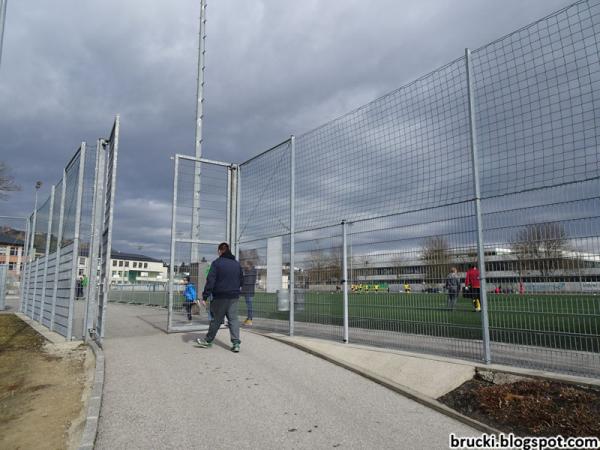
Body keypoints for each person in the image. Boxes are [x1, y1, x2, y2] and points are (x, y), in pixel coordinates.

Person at [196, 243, 243, 352]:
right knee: (233, 319)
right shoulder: (236, 264)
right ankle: (236, 344)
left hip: (220, 296)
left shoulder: (217, 263)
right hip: (234, 296)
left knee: (216, 319)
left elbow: (210, 281)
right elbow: (242, 280)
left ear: (219, 251)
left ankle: (208, 341)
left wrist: (205, 296)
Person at [241, 260, 256, 326]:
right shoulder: (247, 271)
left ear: (249, 265)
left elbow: (248, 282)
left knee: (249, 305)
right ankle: (249, 318)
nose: (244, 265)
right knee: (248, 305)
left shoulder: (251, 272)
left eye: (245, 264)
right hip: (246, 291)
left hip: (249, 291)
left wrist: (242, 290)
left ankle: (250, 319)